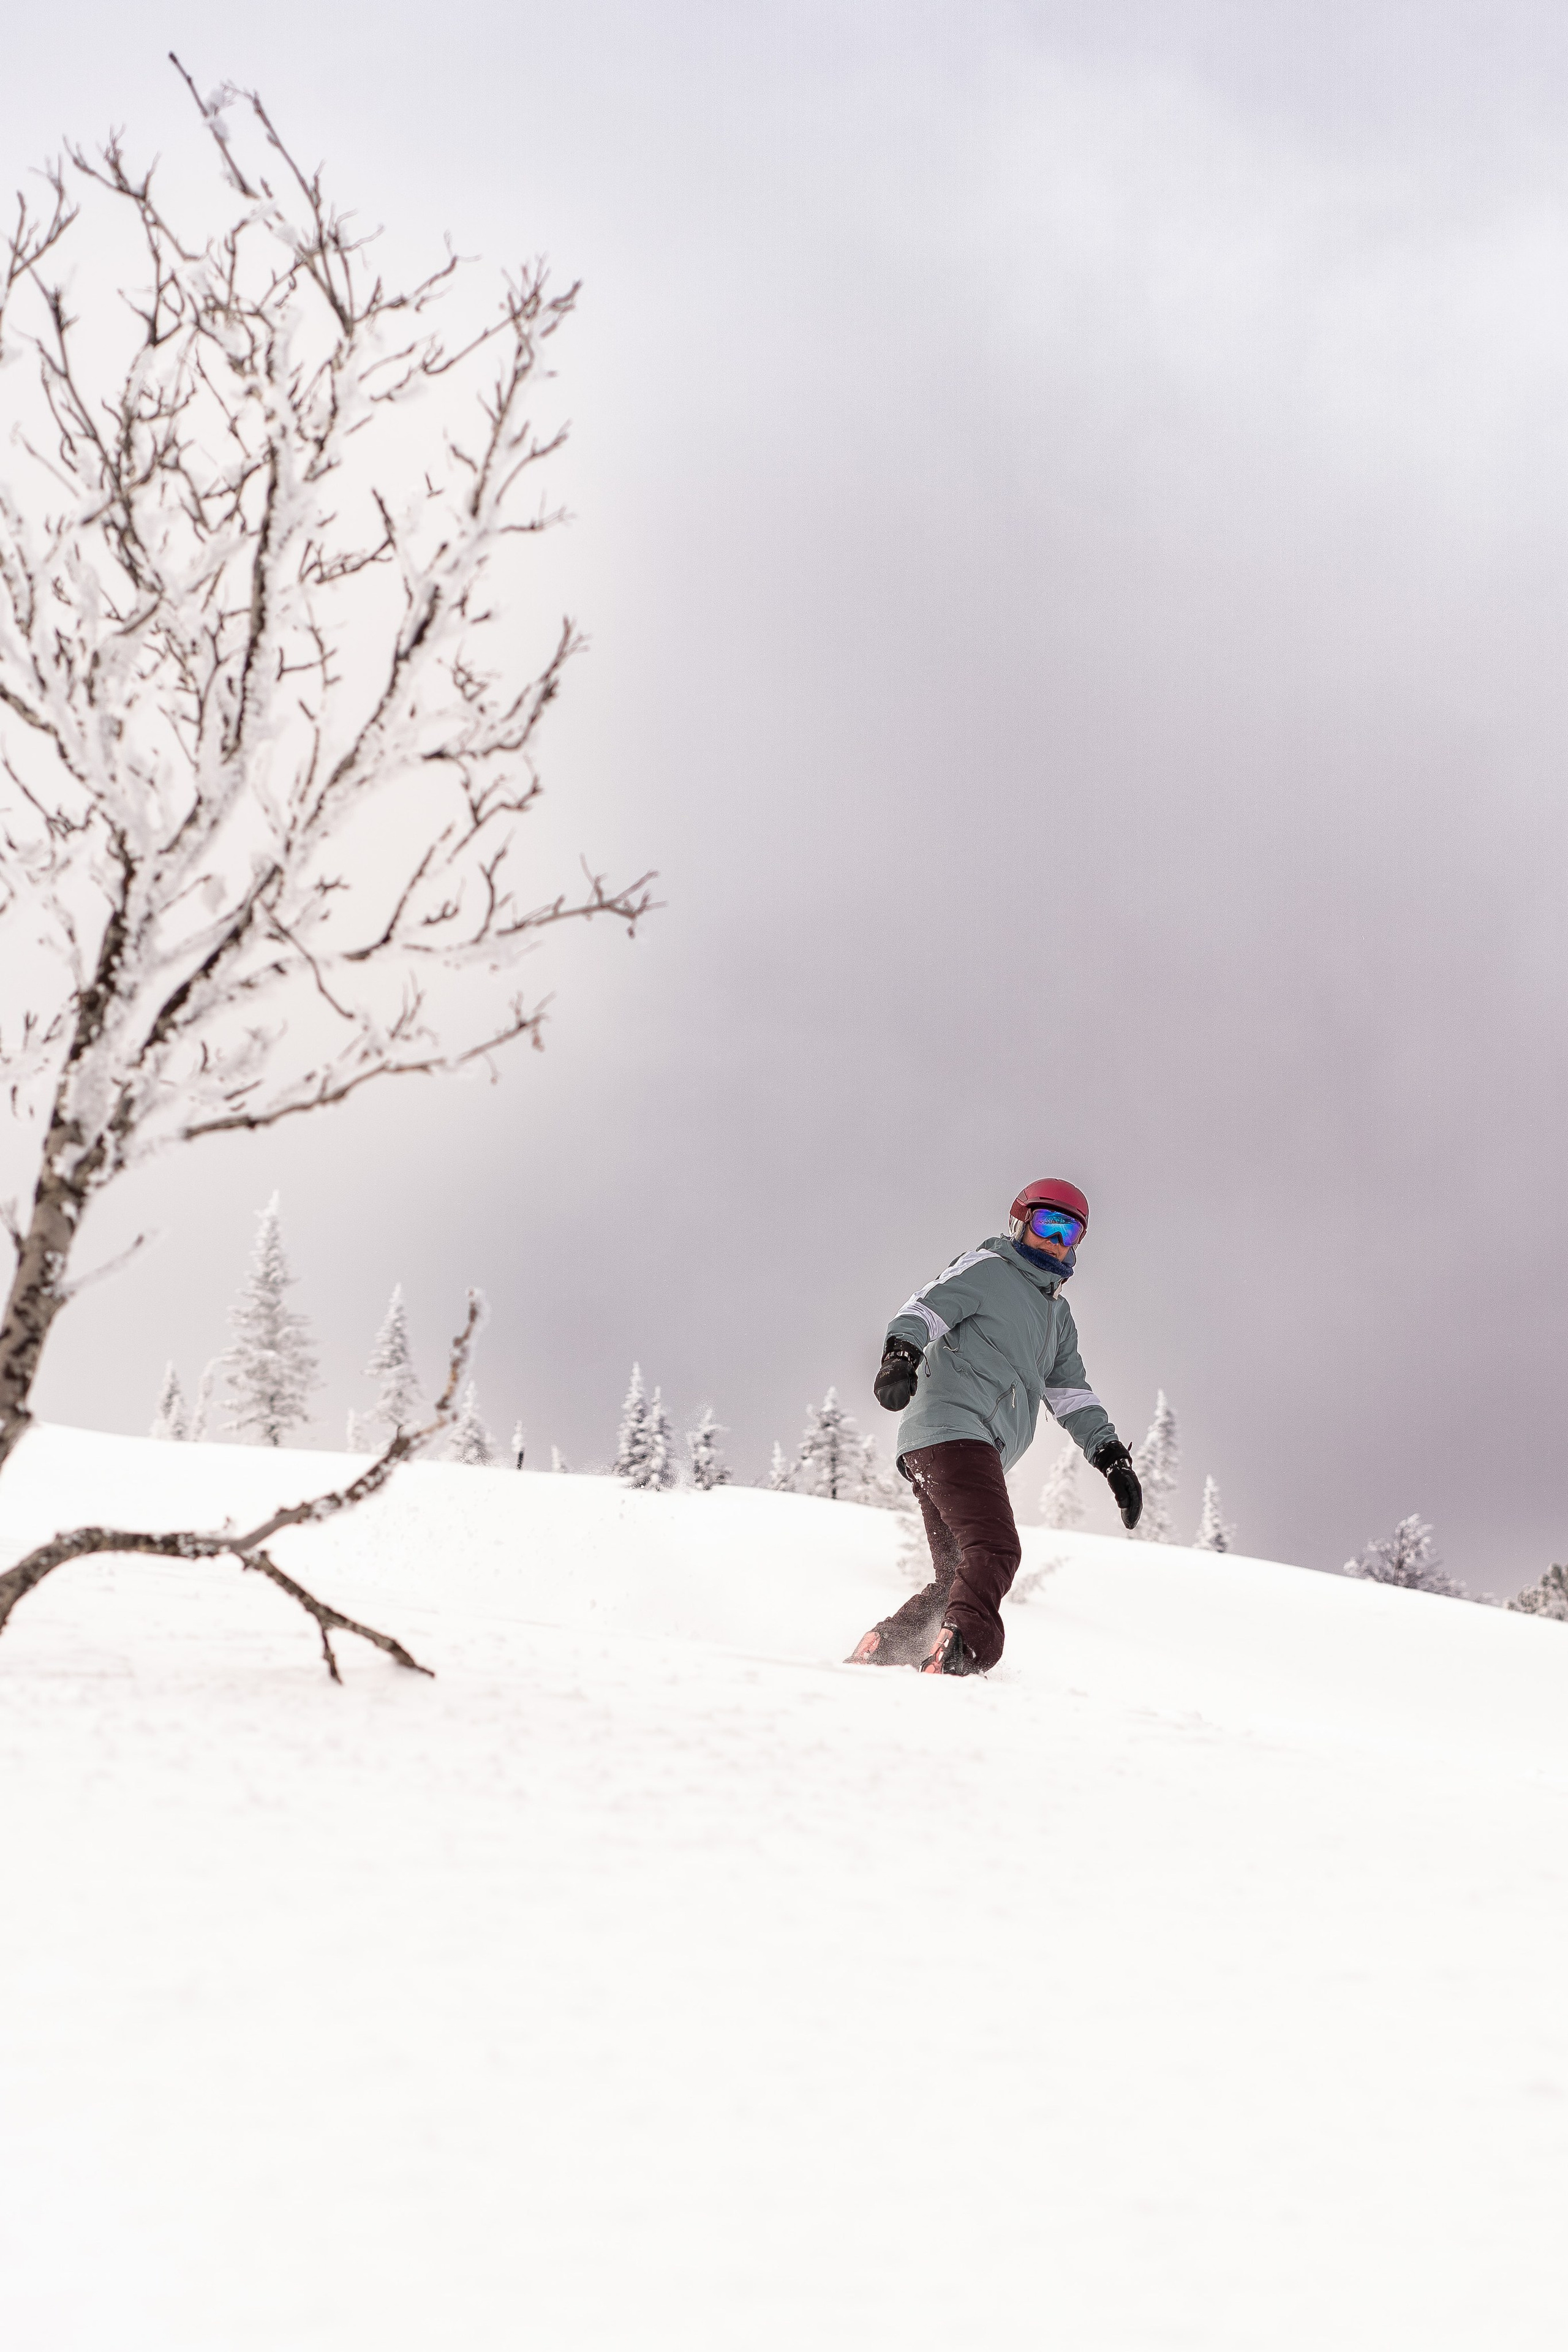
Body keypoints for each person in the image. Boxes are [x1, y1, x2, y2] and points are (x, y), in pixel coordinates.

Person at [847, 1178, 1142, 1677]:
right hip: (953, 1429)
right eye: (1048, 1222)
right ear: (1021, 1222)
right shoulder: (989, 1269)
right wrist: (901, 1356)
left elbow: (1071, 1393)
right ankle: (963, 1653)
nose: (1055, 1239)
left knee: (958, 1576)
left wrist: (1112, 1457)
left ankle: (887, 1647)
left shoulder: (1057, 1316)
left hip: (960, 1445)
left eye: (1069, 1232)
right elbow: (923, 1308)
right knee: (997, 1549)